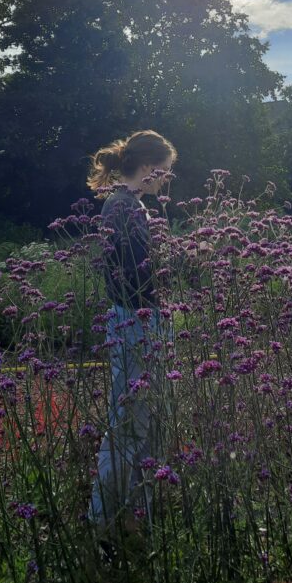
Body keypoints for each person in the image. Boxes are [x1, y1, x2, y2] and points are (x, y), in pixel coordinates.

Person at [85, 129, 177, 541]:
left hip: (141, 319)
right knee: (127, 426)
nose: (165, 179)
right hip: (133, 322)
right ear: (147, 166)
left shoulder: (129, 206)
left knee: (148, 423)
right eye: (165, 171)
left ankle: (134, 517)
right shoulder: (122, 207)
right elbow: (137, 272)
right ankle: (102, 523)